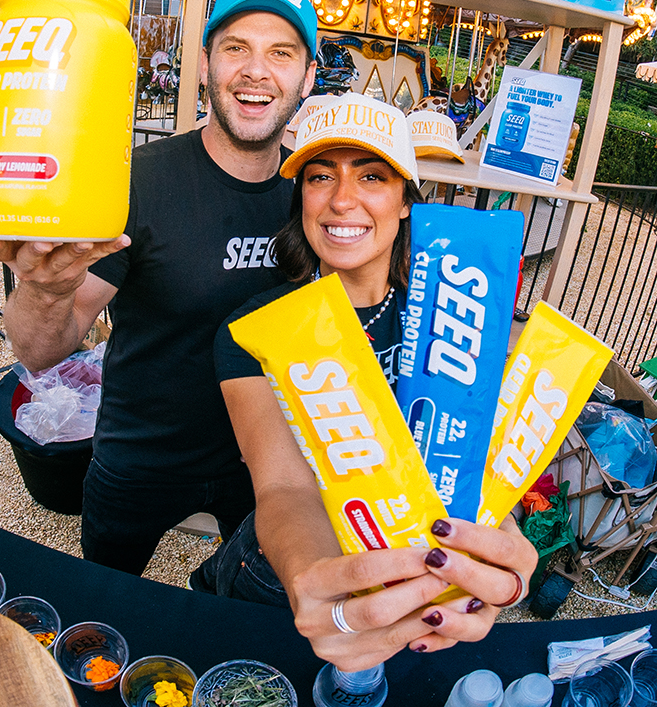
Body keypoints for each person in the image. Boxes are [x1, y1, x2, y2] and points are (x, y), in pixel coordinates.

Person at [0, 0, 318, 575]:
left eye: (282, 53)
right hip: (138, 457)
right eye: (236, 47)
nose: (255, 70)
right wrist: (45, 288)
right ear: (204, 65)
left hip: (260, 462)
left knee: (236, 605)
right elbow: (40, 351)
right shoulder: (141, 180)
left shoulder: (313, 194)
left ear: (307, 79)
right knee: (105, 602)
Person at [192, 92, 537, 670]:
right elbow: (283, 488)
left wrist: (490, 545)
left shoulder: (456, 320)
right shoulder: (259, 329)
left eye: (372, 176)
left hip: (421, 590)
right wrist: (314, 579)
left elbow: (472, 464)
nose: (342, 200)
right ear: (300, 195)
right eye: (320, 176)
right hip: (283, 582)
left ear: (406, 201)